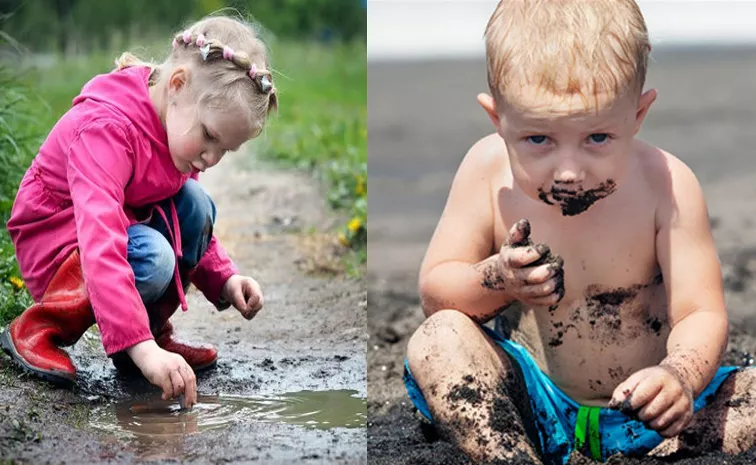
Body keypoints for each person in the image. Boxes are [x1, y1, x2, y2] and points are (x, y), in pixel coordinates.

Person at [402, 1, 756, 463]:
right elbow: (437, 297)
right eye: (538, 140)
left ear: (638, 113)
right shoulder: (487, 174)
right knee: (437, 342)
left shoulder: (668, 184)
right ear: (498, 120)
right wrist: (498, 279)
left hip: (650, 418)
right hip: (531, 403)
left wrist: (679, 376)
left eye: (597, 138)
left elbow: (700, 312)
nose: (569, 171)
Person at [0, 15, 275, 409]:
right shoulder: (106, 129)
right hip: (59, 242)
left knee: (196, 205)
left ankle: (145, 334)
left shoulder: (174, 120)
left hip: (118, 231)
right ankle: (39, 329)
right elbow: (101, 241)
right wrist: (143, 350)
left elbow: (184, 220)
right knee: (154, 257)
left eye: (225, 150)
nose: (211, 158)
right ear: (177, 84)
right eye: (210, 136)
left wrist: (225, 279)